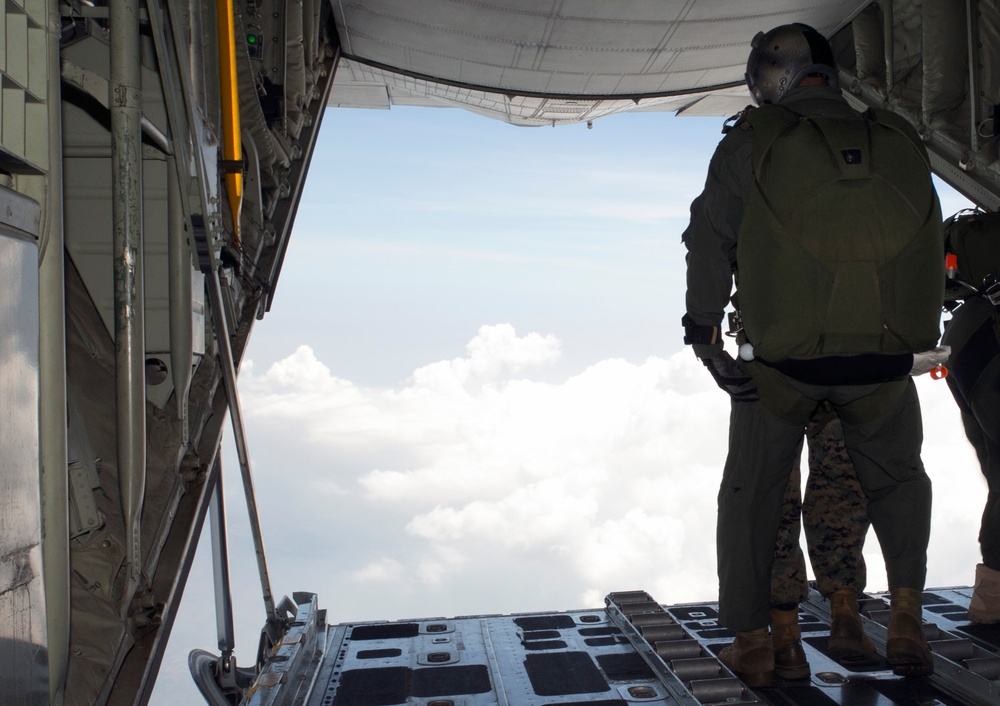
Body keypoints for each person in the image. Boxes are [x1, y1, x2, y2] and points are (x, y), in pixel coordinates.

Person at [682, 23, 945, 685]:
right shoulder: (894, 138)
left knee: (754, 494)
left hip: (784, 366)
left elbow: (709, 242)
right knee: (896, 482)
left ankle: (757, 643)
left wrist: (706, 339)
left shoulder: (752, 139)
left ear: (774, 71)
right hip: (884, 361)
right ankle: (907, 619)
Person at [770, 409, 875, 680]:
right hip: (838, 369)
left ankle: (785, 638)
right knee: (837, 475)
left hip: (772, 374)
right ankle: (845, 614)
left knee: (770, 484)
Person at [940, 210, 1000, 623]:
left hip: (967, 339)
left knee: (996, 465)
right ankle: (991, 598)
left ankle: (990, 598)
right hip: (987, 342)